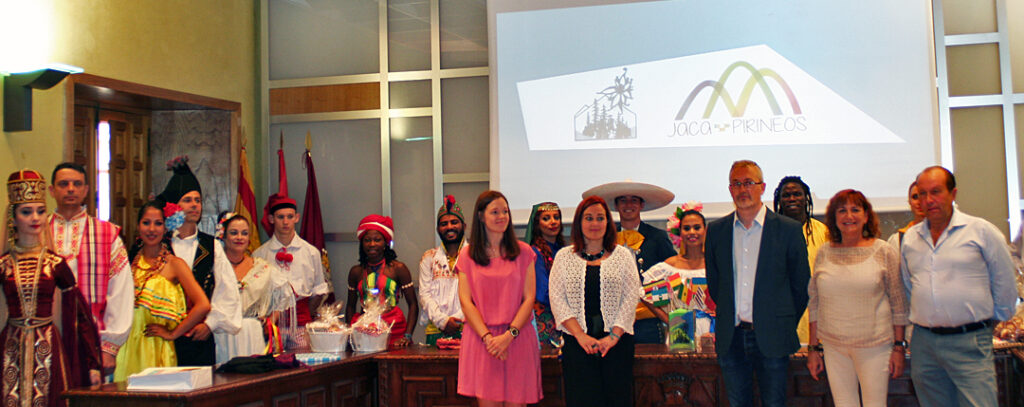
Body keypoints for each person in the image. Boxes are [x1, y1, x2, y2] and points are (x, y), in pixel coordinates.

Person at [900, 166, 1017, 406]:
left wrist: (989, 321)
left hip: (970, 340)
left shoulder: (981, 232)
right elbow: (909, 285)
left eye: (936, 192)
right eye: (922, 194)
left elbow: (1005, 282)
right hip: (924, 344)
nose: (928, 200)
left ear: (953, 194)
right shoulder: (910, 239)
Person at [705, 160, 810, 407]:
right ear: (730, 189)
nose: (743, 189)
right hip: (732, 337)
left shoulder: (788, 230)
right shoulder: (717, 230)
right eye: (737, 184)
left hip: (773, 337)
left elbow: (800, 286)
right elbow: (716, 283)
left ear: (762, 187)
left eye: (749, 183)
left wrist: (780, 321)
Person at [0, 169, 100, 406]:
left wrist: (91, 362)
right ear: (13, 219)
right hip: (10, 345)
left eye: (40, 211)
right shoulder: (4, 265)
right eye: (27, 212)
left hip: (48, 345)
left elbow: (80, 316)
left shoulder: (55, 264)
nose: (35, 218)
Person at [805, 189, 908, 407]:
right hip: (834, 348)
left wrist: (899, 347)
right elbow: (815, 302)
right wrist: (813, 349)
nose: (848, 216)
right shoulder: (824, 252)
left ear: (866, 216)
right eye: (842, 210)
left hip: (875, 347)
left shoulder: (884, 250)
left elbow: (899, 304)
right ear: (834, 218)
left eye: (855, 210)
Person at [549, 196, 641, 407]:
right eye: (588, 218)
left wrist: (614, 336)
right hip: (577, 343)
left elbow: (630, 296)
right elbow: (557, 298)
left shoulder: (623, 256)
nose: (594, 223)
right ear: (579, 223)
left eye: (600, 218)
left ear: (608, 222)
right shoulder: (564, 256)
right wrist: (580, 336)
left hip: (617, 344)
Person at [47, 162, 133, 380]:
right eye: (63, 184)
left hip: (92, 339)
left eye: (77, 184)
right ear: (51, 190)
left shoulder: (107, 234)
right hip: (46, 336)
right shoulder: (38, 231)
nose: (70, 189)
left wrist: (109, 347)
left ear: (86, 190)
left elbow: (120, 291)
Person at [456, 190, 542, 406]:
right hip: (482, 341)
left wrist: (508, 336)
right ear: (480, 216)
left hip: (517, 337)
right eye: (495, 212)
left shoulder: (524, 252)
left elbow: (529, 298)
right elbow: (466, 302)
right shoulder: (467, 255)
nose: (502, 216)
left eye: (505, 211)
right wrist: (488, 339)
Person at [156, 156, 241, 366]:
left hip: (199, 337)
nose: (194, 205)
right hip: (163, 339)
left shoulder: (210, 246)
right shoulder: (159, 245)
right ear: (174, 205)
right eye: (187, 200)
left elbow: (227, 291)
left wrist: (210, 325)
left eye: (198, 200)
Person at [114, 201, 211, 381]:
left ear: (166, 227)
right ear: (138, 226)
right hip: (127, 344)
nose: (152, 229)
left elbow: (203, 305)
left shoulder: (174, 264)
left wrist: (173, 334)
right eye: (146, 222)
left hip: (157, 345)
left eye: (158, 223)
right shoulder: (126, 261)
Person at [582, 181, 676, 344]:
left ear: (642, 205)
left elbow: (673, 273)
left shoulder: (657, 237)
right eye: (623, 200)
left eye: (634, 200)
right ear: (616, 206)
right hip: (612, 319)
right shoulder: (604, 239)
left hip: (649, 318)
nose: (628, 205)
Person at [214, 212, 296, 364]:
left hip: (253, 332)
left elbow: (283, 295)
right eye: (234, 233)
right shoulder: (214, 267)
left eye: (244, 233)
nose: (240, 237)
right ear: (223, 236)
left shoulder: (262, 267)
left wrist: (270, 322)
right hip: (222, 333)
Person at [253, 194, 329, 333]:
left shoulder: (311, 252)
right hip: (271, 327)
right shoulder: (260, 255)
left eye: (290, 216)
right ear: (271, 219)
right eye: (280, 217)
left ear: (297, 218)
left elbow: (319, 290)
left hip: (302, 324)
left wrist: (303, 314)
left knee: (302, 355)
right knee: (271, 355)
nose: (285, 222)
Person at [345, 215, 417, 347]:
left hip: (394, 333)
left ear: (385, 243)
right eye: (367, 240)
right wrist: (351, 334)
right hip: (364, 332)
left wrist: (407, 335)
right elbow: (350, 306)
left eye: (377, 240)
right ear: (362, 243)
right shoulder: (356, 272)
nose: (372, 244)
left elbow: (413, 304)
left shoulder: (398, 269)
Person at [772, 176, 828, 344]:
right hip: (783, 311)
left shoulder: (823, 232)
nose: (792, 199)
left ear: (806, 198)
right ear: (779, 200)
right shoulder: (771, 233)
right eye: (786, 195)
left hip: (818, 311)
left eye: (797, 194)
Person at [640, 202, 713, 324]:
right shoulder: (670, 268)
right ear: (680, 232)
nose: (692, 232)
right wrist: (670, 321)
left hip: (712, 331)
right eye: (686, 228)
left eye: (697, 227)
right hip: (680, 333)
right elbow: (648, 298)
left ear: (705, 230)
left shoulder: (714, 264)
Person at [418, 195, 466, 346]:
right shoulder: (428, 257)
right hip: (436, 329)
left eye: (454, 222)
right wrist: (443, 321)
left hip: (469, 328)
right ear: (438, 229)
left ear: (464, 226)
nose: (449, 227)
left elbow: (479, 295)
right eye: (444, 224)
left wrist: (457, 320)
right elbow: (424, 295)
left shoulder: (476, 256)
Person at [524, 201, 566, 346]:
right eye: (546, 218)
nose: (553, 222)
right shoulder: (535, 253)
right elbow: (542, 293)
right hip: (545, 321)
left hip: (565, 317)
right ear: (537, 224)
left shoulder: (564, 250)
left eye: (556, 217)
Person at [886, 181, 925, 252]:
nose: (919, 201)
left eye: (923, 195)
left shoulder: (946, 234)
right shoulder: (898, 239)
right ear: (909, 202)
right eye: (915, 197)